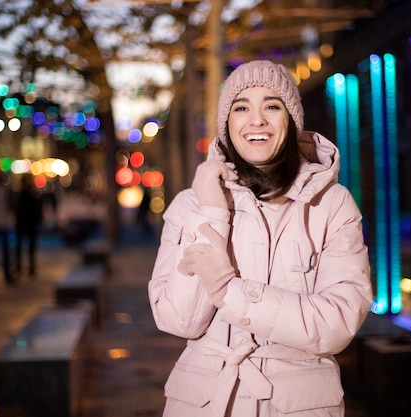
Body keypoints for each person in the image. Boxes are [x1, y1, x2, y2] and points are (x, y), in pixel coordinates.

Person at [148, 60, 373, 417]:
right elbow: (178, 320)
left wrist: (229, 289)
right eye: (241, 108)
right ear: (227, 124)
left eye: (271, 105)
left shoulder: (331, 203)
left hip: (298, 406)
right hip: (203, 404)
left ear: (291, 120)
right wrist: (212, 212)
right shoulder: (191, 204)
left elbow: (338, 323)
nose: (256, 120)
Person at [14, 175, 42, 278]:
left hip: (24, 225)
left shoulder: (21, 195)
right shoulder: (31, 195)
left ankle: (24, 268)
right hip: (28, 225)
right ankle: (28, 268)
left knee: (23, 248)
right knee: (28, 248)